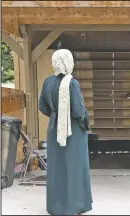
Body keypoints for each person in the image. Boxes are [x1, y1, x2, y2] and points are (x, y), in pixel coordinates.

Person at [38, 49, 93, 215]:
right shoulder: (71, 83)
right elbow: (77, 111)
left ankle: (56, 206)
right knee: (75, 168)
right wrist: (85, 118)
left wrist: (56, 115)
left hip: (54, 129)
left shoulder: (47, 82)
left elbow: (42, 106)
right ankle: (75, 206)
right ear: (68, 62)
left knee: (57, 168)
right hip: (73, 132)